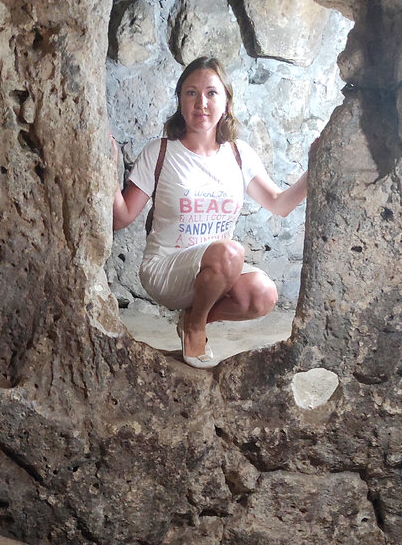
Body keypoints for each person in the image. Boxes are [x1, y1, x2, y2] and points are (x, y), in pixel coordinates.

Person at [112, 55, 315, 367]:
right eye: (191, 93)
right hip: (166, 268)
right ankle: (195, 329)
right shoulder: (160, 152)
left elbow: (280, 204)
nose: (201, 103)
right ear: (180, 100)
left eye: (211, 93)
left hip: (218, 270)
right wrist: (107, 170)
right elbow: (122, 217)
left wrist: (316, 168)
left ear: (226, 102)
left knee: (263, 295)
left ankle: (195, 318)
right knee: (230, 252)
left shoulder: (239, 154)